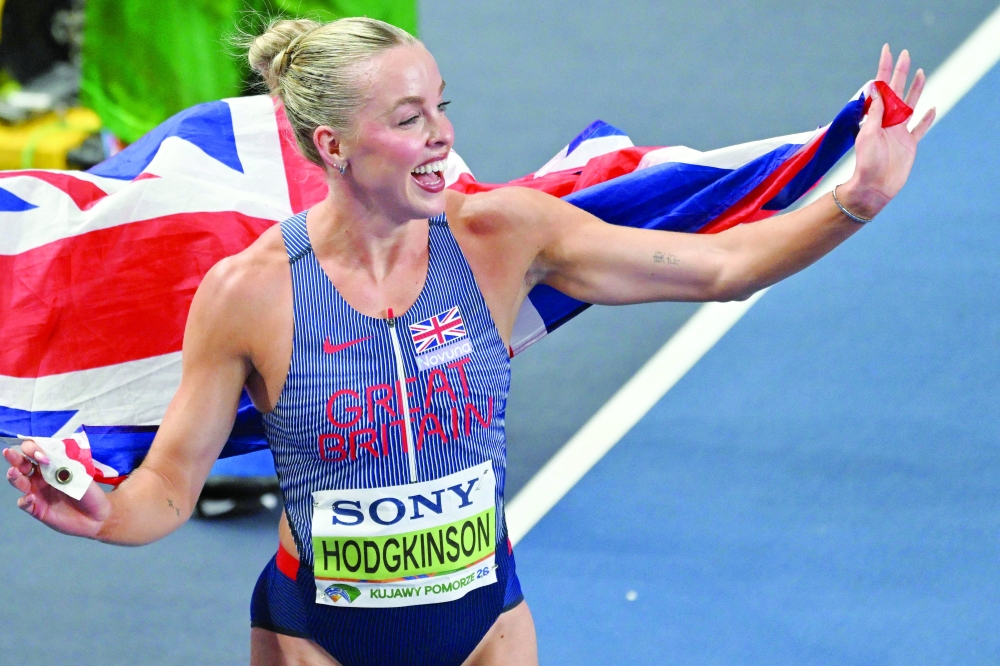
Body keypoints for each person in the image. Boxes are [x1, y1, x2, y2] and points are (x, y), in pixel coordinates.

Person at [4, 16, 934, 666]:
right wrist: (104, 517)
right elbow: (168, 488)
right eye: (408, 120)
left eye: (442, 106)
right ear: (331, 145)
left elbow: (721, 267)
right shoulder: (248, 294)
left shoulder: (503, 239)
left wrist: (856, 201)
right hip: (311, 640)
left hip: (488, 632)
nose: (443, 139)